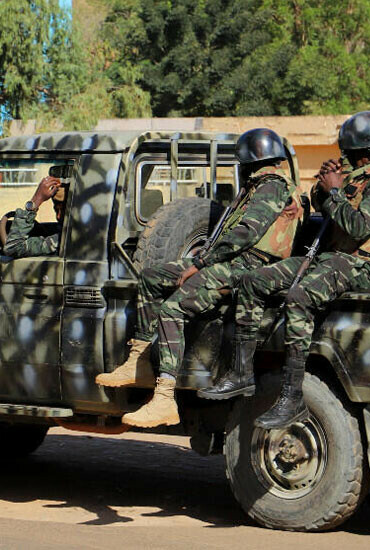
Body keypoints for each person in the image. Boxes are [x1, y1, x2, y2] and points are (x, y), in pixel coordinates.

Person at [96, 129, 304, 429]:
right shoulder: (257, 186)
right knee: (153, 277)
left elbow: (247, 233)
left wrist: (202, 263)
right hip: (232, 260)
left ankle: (165, 398)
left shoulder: (272, 186)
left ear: (249, 161)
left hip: (248, 265)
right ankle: (138, 361)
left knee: (172, 309)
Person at [229, 111, 370, 429]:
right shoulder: (360, 180)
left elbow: (357, 227)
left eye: (345, 152)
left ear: (358, 150)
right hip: (332, 259)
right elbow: (325, 209)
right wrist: (324, 187)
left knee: (299, 297)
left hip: (365, 266)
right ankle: (241, 373)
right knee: (253, 281)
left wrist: (334, 191)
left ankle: (292, 398)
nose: (342, 157)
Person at [3, 172, 68, 258]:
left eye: (64, 211)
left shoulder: (62, 241)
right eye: (56, 210)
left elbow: (13, 248)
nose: (58, 216)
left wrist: (37, 199)